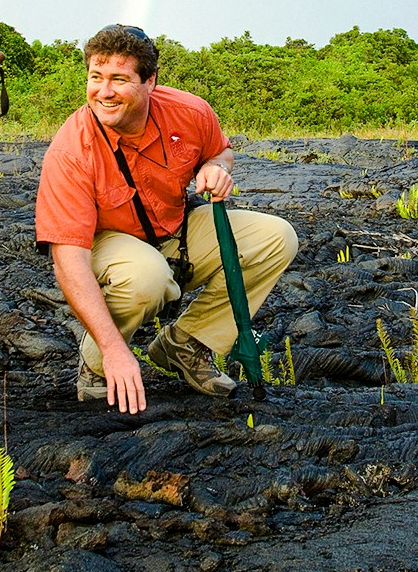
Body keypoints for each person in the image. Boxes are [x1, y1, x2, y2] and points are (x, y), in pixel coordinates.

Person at [34, 24, 299, 413]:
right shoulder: (71, 150)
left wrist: (215, 168)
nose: (103, 92)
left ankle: (187, 343)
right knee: (147, 277)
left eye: (119, 79)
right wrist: (113, 350)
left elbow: (221, 152)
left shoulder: (190, 111)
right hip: (110, 242)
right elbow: (67, 261)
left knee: (277, 236)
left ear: (150, 81)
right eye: (95, 77)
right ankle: (95, 365)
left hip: (176, 229)